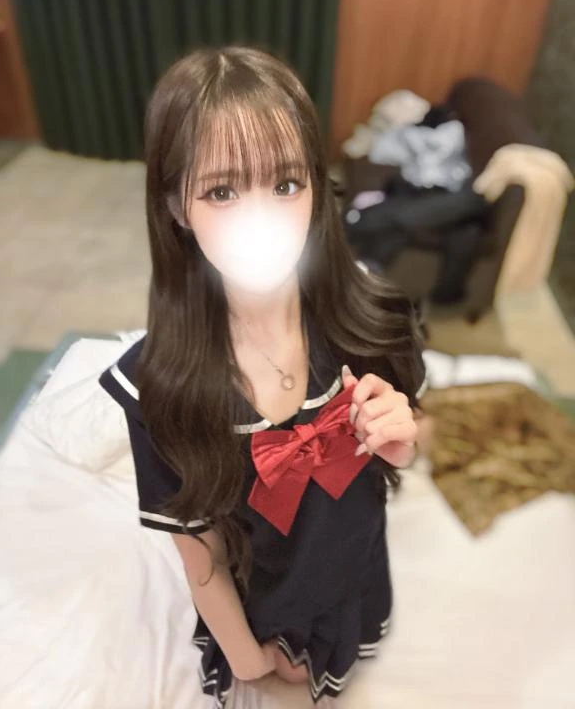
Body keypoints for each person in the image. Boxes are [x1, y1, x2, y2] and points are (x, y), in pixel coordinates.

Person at [99, 46, 426, 707]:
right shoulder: (161, 388)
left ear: (315, 187)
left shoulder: (369, 322)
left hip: (356, 571)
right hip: (265, 600)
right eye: (222, 191)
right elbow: (201, 553)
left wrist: (402, 440)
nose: (264, 218)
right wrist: (247, 658)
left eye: (285, 184)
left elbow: (408, 439)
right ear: (177, 205)